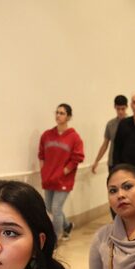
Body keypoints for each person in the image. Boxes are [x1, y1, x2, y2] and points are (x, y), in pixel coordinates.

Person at [39, 103, 85, 241]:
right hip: (48, 178)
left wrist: (63, 171)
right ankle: (67, 226)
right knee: (49, 207)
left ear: (68, 117)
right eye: (57, 112)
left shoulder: (74, 137)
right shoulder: (47, 135)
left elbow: (78, 158)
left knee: (56, 208)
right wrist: (44, 171)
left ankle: (56, 237)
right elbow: (41, 155)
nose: (58, 115)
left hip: (64, 180)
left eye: (62, 113)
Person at [90, 94, 128, 173]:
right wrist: (97, 161)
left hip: (127, 164)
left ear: (127, 107)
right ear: (115, 107)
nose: (120, 112)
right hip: (113, 163)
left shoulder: (132, 123)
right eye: (118, 109)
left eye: (123, 109)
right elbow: (105, 145)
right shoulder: (110, 124)